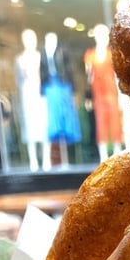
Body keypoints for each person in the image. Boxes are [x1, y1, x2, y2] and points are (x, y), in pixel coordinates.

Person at [40, 32, 81, 168]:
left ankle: (65, 159)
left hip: (62, 86)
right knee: (53, 119)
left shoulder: (62, 51)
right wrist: (42, 90)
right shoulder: (44, 53)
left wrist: (72, 87)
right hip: (50, 86)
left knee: (64, 117)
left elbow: (68, 69)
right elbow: (42, 71)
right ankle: (54, 159)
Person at [84, 23, 124, 161]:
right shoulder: (90, 55)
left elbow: (118, 75)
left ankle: (117, 154)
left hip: (112, 93)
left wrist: (122, 96)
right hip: (98, 94)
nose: (104, 38)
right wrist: (87, 96)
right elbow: (89, 78)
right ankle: (103, 157)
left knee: (115, 122)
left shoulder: (112, 53)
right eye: (100, 35)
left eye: (105, 35)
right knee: (101, 123)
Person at [14, 29, 51, 171]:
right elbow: (18, 80)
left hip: (40, 94)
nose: (29, 42)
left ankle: (46, 159)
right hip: (27, 94)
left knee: (43, 124)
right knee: (30, 126)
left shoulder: (40, 57)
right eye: (26, 39)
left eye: (32, 38)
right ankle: (33, 160)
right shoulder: (20, 59)